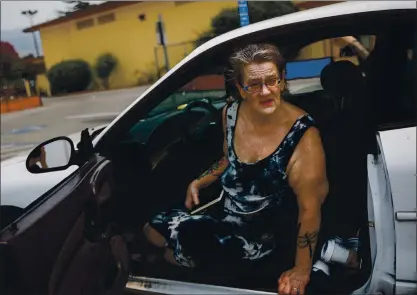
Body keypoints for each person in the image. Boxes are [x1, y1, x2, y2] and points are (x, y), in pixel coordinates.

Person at [143, 43, 329, 295]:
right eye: (254, 84)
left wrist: (301, 269)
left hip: (258, 239)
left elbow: (310, 210)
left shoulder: (303, 138)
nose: (265, 91)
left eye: (272, 81)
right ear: (241, 89)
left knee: (168, 254)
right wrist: (200, 181)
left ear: (282, 81)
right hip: (224, 216)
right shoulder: (231, 113)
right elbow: (229, 157)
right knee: (151, 230)